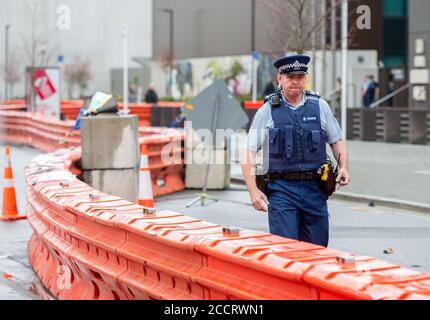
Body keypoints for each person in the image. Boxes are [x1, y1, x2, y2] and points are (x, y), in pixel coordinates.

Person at [241, 54, 350, 247]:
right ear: (280, 78)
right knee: (287, 249)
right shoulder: (267, 110)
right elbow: (248, 151)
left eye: (300, 76)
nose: (295, 81)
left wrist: (343, 167)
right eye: (290, 76)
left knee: (317, 250)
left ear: (305, 78)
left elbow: (336, 140)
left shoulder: (320, 107)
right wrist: (252, 190)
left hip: (315, 190)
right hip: (282, 190)